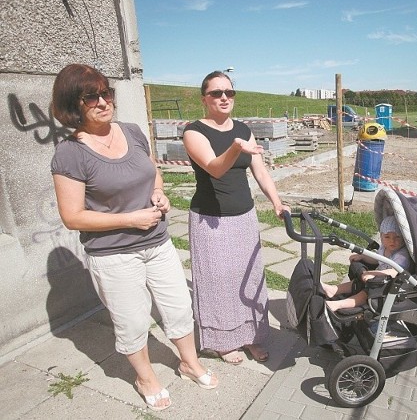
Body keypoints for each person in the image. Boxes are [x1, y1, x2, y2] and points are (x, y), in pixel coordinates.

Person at [50, 64, 217, 412]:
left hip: (158, 243)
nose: (102, 101)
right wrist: (129, 218)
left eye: (106, 92)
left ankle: (189, 362)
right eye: (90, 96)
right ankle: (145, 378)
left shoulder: (131, 131)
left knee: (178, 306)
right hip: (113, 255)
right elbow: (72, 216)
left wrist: (160, 194)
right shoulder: (71, 153)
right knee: (132, 320)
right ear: (72, 104)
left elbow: (152, 171)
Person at [182, 71, 290, 365]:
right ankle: (221, 342)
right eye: (216, 93)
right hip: (210, 219)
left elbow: (260, 170)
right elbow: (214, 168)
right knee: (217, 282)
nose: (224, 98)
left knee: (248, 278)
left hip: (244, 216)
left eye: (229, 92)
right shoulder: (194, 131)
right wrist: (235, 147)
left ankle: (251, 338)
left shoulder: (243, 128)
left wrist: (277, 203)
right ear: (204, 98)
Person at [322, 215, 411, 311]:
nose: (392, 241)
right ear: (381, 237)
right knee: (356, 283)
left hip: (391, 284)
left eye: (397, 237)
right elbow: (377, 259)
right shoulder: (385, 248)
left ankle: (338, 305)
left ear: (404, 238)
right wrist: (362, 257)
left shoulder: (402, 255)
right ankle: (333, 289)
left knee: (365, 294)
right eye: (387, 236)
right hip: (380, 279)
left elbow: (394, 272)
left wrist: (373, 273)